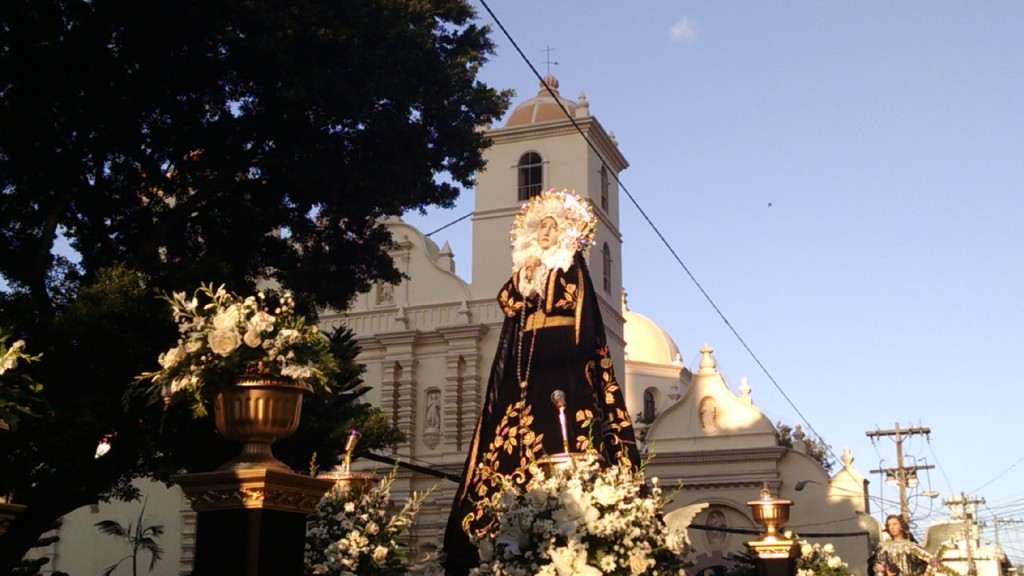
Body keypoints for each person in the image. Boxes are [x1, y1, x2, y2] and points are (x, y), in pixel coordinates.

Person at [442, 189, 641, 576]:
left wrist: (543, 277)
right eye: (542, 228)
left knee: (562, 417)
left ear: (565, 233)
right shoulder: (530, 269)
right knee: (513, 422)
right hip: (528, 359)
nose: (546, 233)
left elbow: (573, 305)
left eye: (553, 227)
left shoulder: (569, 266)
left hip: (562, 354)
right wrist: (526, 276)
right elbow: (508, 302)